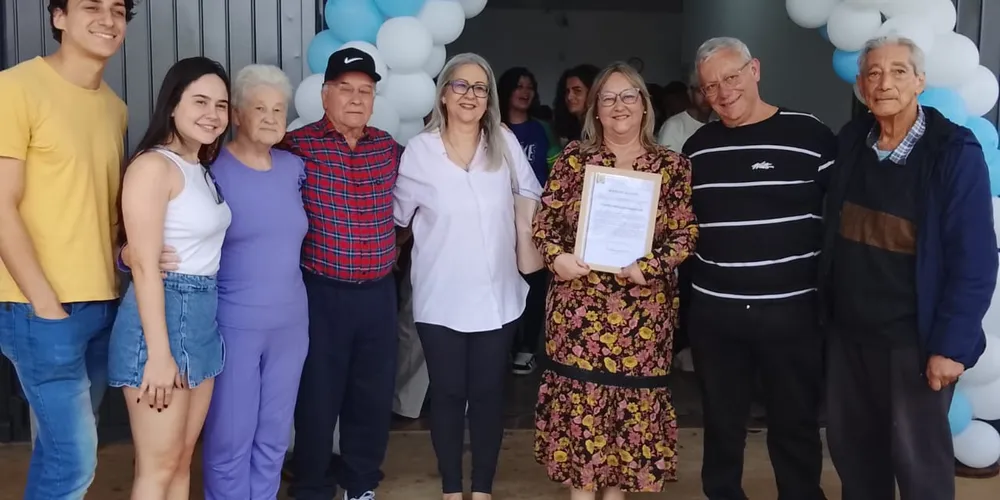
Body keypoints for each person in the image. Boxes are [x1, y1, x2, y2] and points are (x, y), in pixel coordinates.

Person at [819, 35, 998, 500]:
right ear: (860, 84)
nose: (884, 83)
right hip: (850, 338)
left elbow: (974, 260)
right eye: (874, 73)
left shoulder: (953, 152)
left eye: (899, 71)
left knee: (921, 469)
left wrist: (952, 345)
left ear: (920, 81)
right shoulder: (851, 142)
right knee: (856, 462)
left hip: (914, 345)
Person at [533, 61, 698, 499]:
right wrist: (557, 258)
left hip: (641, 320)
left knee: (626, 432)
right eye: (608, 98)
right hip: (579, 315)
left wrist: (653, 265)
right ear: (596, 110)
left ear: (644, 106)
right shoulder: (574, 159)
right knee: (582, 427)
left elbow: (685, 233)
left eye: (629, 96)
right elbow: (543, 224)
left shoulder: (673, 166)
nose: (619, 105)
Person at [681, 37, 832, 500]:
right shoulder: (696, 149)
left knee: (795, 422)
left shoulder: (812, 136)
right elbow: (678, 226)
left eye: (731, 77)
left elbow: (843, 220)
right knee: (722, 424)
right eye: (711, 87)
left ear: (755, 70)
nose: (723, 93)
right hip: (717, 315)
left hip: (792, 313)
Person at [394, 53, 543, 500]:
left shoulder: (502, 140)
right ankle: (451, 488)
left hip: (497, 295)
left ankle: (481, 489)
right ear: (443, 93)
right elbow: (398, 217)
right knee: (447, 394)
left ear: (488, 98)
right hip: (440, 296)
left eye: (480, 88)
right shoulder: (420, 151)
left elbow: (532, 194)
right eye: (461, 85)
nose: (471, 95)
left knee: (487, 396)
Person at [0, 1, 134, 497]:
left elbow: (103, 210)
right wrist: (45, 304)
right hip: (40, 311)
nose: (107, 19)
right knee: (72, 462)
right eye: (90, 7)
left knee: (62, 450)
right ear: (58, 17)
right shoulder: (14, 88)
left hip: (101, 305)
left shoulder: (114, 106)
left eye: (118, 10)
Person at [280, 47, 402, 500]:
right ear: (324, 94)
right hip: (320, 292)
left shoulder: (389, 148)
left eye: (365, 91)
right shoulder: (297, 146)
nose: (356, 99)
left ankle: (360, 485)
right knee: (317, 395)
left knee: (371, 397)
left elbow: (413, 208)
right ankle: (311, 486)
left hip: (378, 294)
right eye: (345, 89)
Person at [108, 56, 232, 499]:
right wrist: (159, 355)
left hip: (201, 315)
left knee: (181, 462)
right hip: (162, 319)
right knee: (158, 468)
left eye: (221, 104)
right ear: (173, 105)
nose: (212, 114)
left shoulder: (199, 168)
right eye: (200, 101)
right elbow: (143, 263)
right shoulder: (153, 167)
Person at [199, 64, 310, 499]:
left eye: (278, 109)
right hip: (234, 325)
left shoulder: (294, 168)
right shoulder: (211, 170)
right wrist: (130, 255)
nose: (270, 116)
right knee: (230, 438)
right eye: (259, 107)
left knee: (274, 437)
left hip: (291, 326)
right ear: (238, 116)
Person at [497, 66, 555, 375]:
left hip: (534, 219)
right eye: (519, 85)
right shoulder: (491, 127)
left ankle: (526, 348)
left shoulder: (541, 129)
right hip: (497, 220)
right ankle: (502, 345)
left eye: (530, 86)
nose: (525, 91)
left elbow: (556, 169)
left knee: (532, 283)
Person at [656, 70, 714, 153]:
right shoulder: (674, 126)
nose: (706, 97)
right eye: (700, 91)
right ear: (690, 93)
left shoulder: (720, 121)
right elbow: (667, 163)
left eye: (710, 90)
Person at [552, 64, 600, 146]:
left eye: (577, 91)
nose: (569, 97)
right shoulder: (571, 131)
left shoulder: (602, 131)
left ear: (593, 92)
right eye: (567, 91)